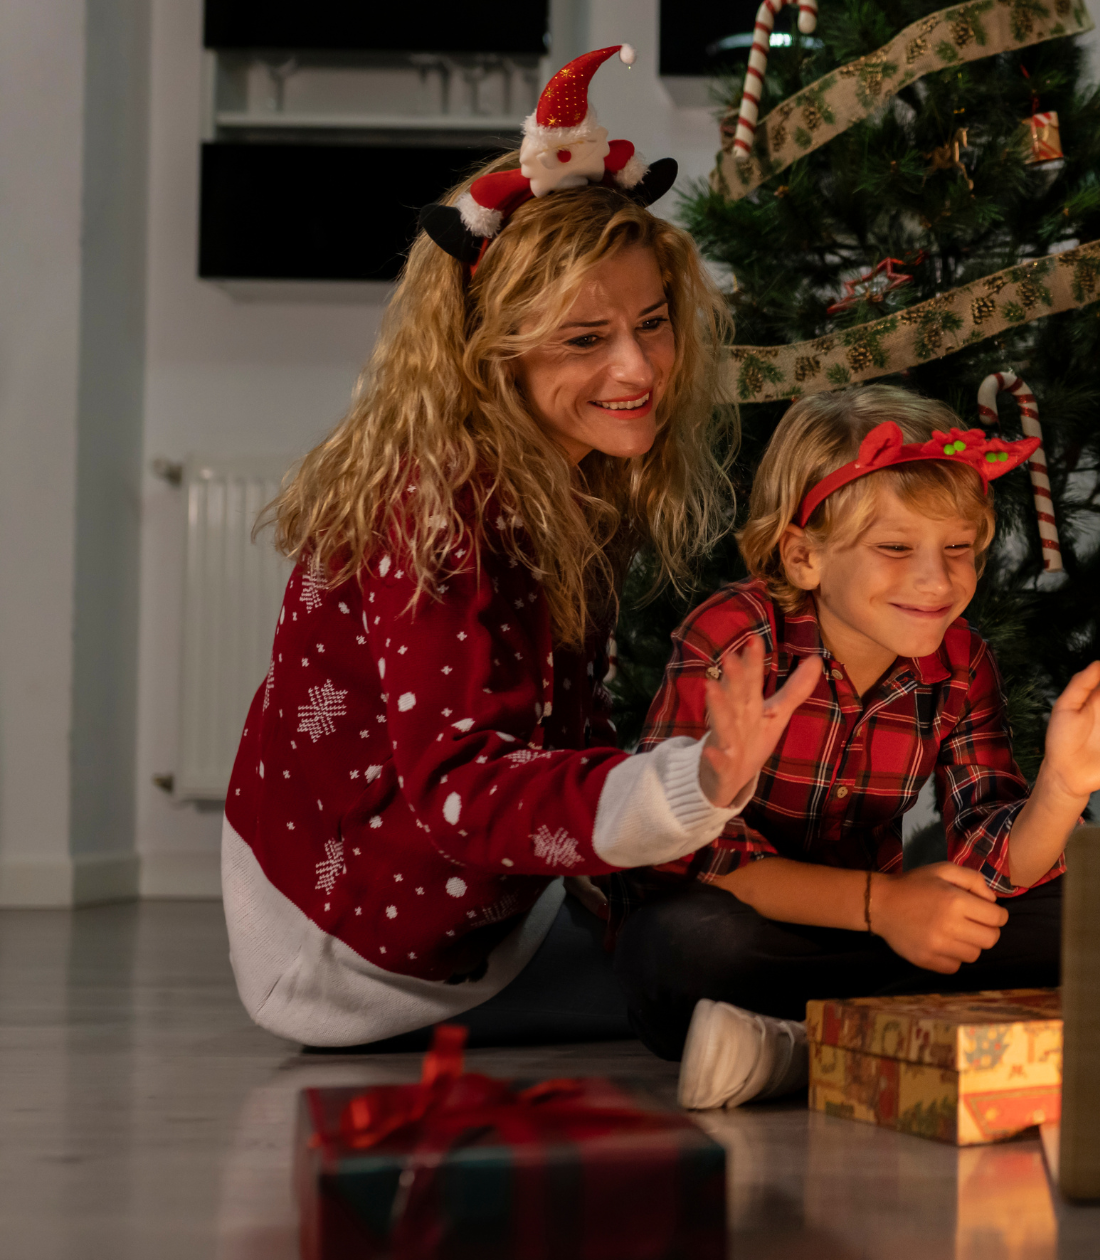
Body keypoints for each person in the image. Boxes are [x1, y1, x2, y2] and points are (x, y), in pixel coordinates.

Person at [222, 47, 817, 1049]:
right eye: (583, 339)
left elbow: (553, 725)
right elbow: (459, 789)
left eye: (652, 324)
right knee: (721, 954)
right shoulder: (433, 508)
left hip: (487, 908)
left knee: (742, 922)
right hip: (362, 961)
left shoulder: (569, 469)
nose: (637, 368)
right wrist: (696, 783)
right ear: (489, 346)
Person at [608, 384, 1100, 1107]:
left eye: (959, 549)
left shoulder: (960, 661)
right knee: (683, 946)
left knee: (1090, 914)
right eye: (894, 547)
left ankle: (796, 1047)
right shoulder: (735, 636)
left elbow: (993, 852)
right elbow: (692, 852)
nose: (937, 579)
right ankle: (865, 1026)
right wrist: (885, 906)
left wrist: (1062, 789)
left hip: (879, 933)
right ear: (803, 557)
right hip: (751, 927)